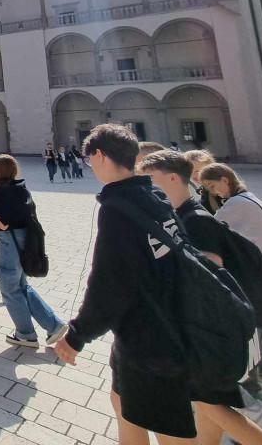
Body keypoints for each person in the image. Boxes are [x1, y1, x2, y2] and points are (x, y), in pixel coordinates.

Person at [54, 124, 197, 444]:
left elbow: (111, 282)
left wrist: (77, 335)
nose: (90, 165)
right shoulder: (153, 193)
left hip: (150, 333)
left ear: (100, 155)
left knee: (165, 423)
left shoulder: (118, 209)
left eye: (90, 158)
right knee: (122, 404)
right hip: (163, 321)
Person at [140, 150, 262, 442]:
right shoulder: (179, 215)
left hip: (209, 326)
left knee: (219, 402)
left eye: (149, 179)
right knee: (210, 404)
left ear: (173, 178)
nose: (144, 187)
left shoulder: (196, 219)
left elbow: (208, 275)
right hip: (203, 326)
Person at [201, 162, 262, 387]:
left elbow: (210, 229)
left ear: (226, 179)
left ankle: (252, 387)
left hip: (253, 278)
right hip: (260, 274)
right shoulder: (248, 197)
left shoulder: (236, 204)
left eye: (213, 186)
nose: (213, 191)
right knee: (259, 331)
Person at [0, 155, 67, 349]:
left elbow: (4, 224)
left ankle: (26, 334)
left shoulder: (2, 191)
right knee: (22, 285)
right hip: (25, 239)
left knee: (9, 288)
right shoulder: (21, 187)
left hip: (10, 242)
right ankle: (54, 324)